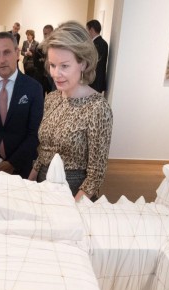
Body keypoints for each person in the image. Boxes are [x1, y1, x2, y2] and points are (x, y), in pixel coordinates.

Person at [28, 21, 113, 201]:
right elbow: (44, 150)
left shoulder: (97, 108)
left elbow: (96, 174)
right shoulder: (52, 98)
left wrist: (73, 208)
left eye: (64, 66)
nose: (55, 73)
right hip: (44, 190)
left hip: (75, 196)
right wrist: (30, 182)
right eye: (52, 65)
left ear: (82, 63)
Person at [0, 31, 44, 177]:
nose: (2, 59)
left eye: (7, 52)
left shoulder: (34, 88)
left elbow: (34, 134)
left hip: (24, 169)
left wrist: (12, 163)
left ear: (17, 53)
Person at [86, 19, 108, 93]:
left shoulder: (98, 44)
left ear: (91, 30)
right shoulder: (101, 43)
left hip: (95, 81)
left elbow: (94, 63)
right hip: (95, 81)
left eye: (87, 30)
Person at [35, 25, 55, 94]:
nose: (46, 36)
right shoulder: (39, 47)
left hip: (53, 76)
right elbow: (35, 62)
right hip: (42, 76)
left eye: (48, 33)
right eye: (44, 34)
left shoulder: (57, 47)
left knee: (53, 95)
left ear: (52, 33)